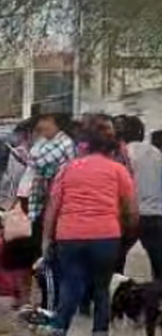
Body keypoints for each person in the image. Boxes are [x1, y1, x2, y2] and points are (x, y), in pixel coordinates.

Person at [42, 115, 138, 336]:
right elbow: (131, 210)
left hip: (69, 236)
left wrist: (46, 240)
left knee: (70, 286)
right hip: (106, 236)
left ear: (85, 145)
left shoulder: (68, 169)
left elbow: (53, 208)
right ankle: (99, 332)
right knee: (101, 289)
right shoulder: (118, 170)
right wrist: (126, 234)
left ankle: (58, 330)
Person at [27, 111, 76, 314]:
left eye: (45, 121)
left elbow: (37, 161)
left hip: (57, 208)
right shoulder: (45, 142)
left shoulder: (63, 143)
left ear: (57, 124)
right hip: (44, 205)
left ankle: (52, 306)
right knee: (45, 258)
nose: (41, 125)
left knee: (50, 259)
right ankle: (50, 302)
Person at [118, 116, 160, 277]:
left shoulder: (124, 154)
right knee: (158, 264)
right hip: (156, 214)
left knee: (117, 262)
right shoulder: (156, 152)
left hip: (132, 214)